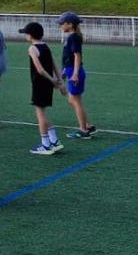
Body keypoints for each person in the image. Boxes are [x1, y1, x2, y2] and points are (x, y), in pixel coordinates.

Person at [19, 22, 63, 155]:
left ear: (30, 35)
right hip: (47, 84)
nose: (25, 35)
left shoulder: (32, 48)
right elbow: (54, 63)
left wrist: (53, 80)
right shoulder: (45, 46)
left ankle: (45, 144)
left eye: (26, 33)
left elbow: (40, 69)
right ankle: (54, 140)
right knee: (43, 112)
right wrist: (59, 81)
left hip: (39, 84)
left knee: (40, 113)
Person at [58, 12, 96, 138]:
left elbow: (77, 56)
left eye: (62, 24)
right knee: (73, 100)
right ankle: (88, 125)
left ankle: (83, 130)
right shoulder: (72, 37)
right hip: (71, 70)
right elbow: (68, 58)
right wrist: (64, 72)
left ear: (70, 24)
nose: (60, 26)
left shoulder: (73, 37)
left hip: (75, 72)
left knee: (75, 101)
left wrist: (74, 74)